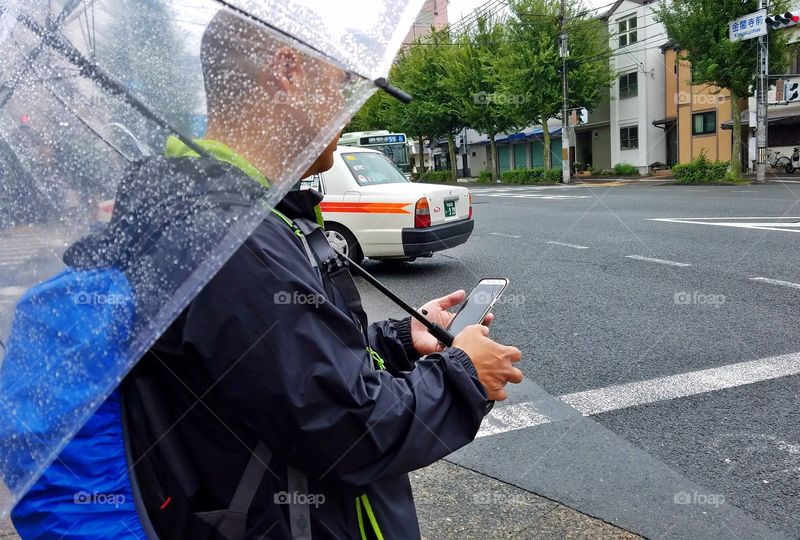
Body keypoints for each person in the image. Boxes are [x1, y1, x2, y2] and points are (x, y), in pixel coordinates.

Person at [123, 10, 524, 539]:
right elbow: (347, 430)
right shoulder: (234, 238)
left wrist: (402, 338)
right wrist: (465, 375)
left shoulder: (236, 211)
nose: (345, 109)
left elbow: (291, 371)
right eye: (339, 85)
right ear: (288, 72)